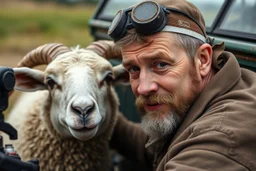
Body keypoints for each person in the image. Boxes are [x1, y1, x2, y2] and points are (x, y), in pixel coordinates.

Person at [107, 0, 256, 170]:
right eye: (134, 69)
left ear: (203, 60)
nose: (143, 87)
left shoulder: (221, 140)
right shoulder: (191, 103)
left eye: (161, 65)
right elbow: (153, 148)